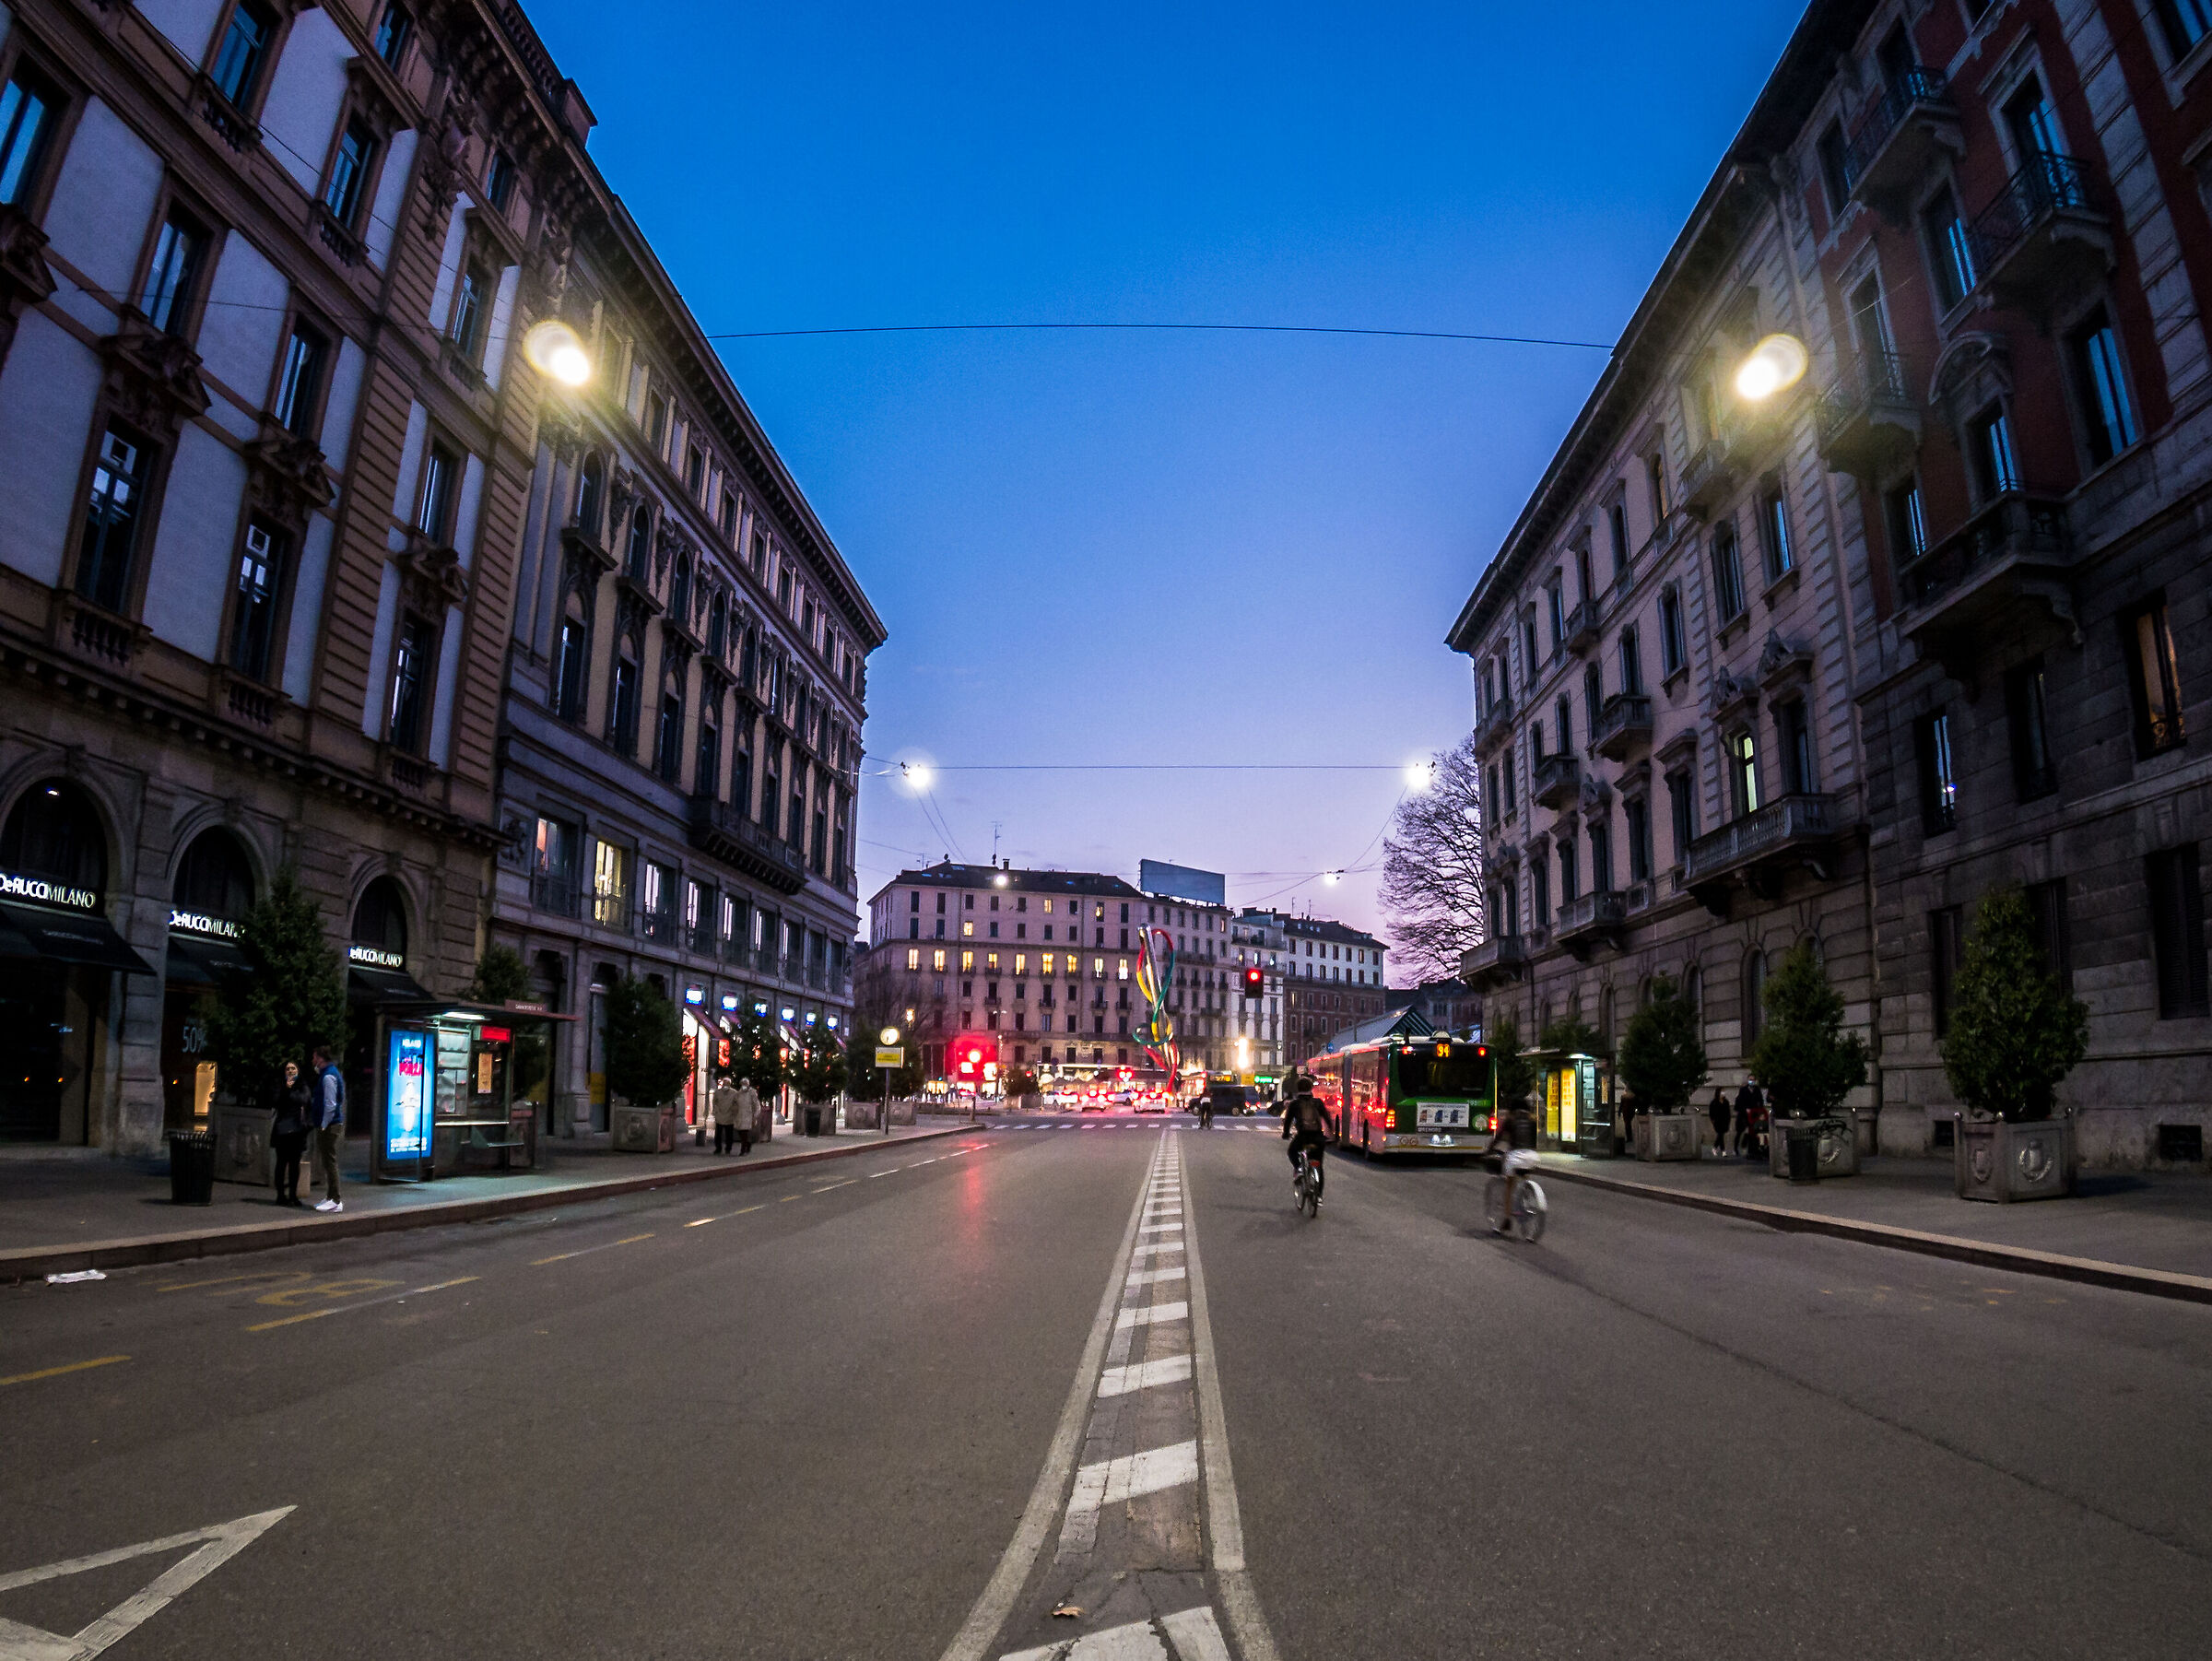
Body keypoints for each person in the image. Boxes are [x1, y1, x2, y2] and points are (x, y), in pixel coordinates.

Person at [1485, 1092, 1540, 1231]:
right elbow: (1534, 1142)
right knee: (1524, 1174)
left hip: (1515, 1156)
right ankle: (1526, 1195)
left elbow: (1499, 1138)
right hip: (1532, 1156)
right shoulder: (1533, 1120)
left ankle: (1507, 1218)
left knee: (1509, 1184)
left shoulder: (1511, 1120)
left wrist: (1489, 1151)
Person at [269, 1059, 312, 1207]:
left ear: (298, 1071)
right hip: (282, 1129)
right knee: (281, 1163)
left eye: (293, 1068)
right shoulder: (280, 1085)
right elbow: (275, 1101)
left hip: (297, 1130)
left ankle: (293, 1195)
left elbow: (304, 1100)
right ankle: (280, 1195)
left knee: (295, 1164)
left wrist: (290, 1093)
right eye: (288, 1069)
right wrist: (286, 1090)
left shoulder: (302, 1085)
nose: (290, 1071)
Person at [310, 1043, 346, 1212]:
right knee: (327, 1161)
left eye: (314, 1057)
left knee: (329, 1162)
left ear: (320, 1058)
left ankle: (335, 1200)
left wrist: (324, 1124)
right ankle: (331, 1197)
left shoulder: (328, 1076)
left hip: (329, 1125)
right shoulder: (329, 1074)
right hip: (330, 1124)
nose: (312, 1060)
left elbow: (331, 1104)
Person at [1280, 1083, 1332, 1190]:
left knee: (1292, 1152)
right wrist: (1331, 1134)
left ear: (1298, 1089)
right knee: (1318, 1164)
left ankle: (1299, 1169)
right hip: (1318, 1138)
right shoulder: (1318, 1102)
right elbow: (1327, 1119)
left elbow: (1288, 1121)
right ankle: (1318, 1195)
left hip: (1302, 1137)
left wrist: (1286, 1134)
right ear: (1311, 1088)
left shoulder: (1294, 1104)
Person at [1735, 1076, 1767, 1162]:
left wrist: (1760, 1110)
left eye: (1753, 1080)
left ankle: (1756, 1151)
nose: (1751, 1081)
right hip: (1746, 1115)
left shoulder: (1757, 1089)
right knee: (1749, 1133)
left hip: (1755, 1114)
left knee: (1756, 1133)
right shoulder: (1743, 1090)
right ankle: (1750, 1151)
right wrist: (1745, 1109)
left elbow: (1760, 1100)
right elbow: (1740, 1102)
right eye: (1750, 1080)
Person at [711, 1075, 740, 1154]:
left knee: (729, 1134)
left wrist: (734, 1111)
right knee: (718, 1134)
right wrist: (715, 1111)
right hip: (720, 1116)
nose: (725, 1085)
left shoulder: (734, 1093)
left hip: (730, 1116)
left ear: (730, 1084)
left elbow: (737, 1104)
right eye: (724, 1083)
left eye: (727, 1083)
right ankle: (718, 1148)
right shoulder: (718, 1092)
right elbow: (714, 1102)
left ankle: (728, 1148)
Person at [734, 1075, 760, 1155]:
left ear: (748, 1085)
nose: (744, 1085)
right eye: (743, 1084)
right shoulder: (739, 1093)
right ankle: (748, 1144)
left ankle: (743, 1150)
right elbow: (735, 1103)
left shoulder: (752, 1093)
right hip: (739, 1115)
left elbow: (757, 1105)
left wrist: (755, 1116)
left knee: (744, 1133)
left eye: (745, 1084)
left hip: (748, 1116)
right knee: (740, 1132)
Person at [1708, 1087, 1732, 1159]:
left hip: (1725, 1121)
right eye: (1722, 1091)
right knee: (1720, 1135)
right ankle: (1721, 1151)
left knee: (1721, 1136)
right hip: (1717, 1121)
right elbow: (1711, 1112)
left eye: (1724, 1091)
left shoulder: (1726, 1102)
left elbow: (1728, 1112)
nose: (1723, 1093)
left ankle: (1719, 1150)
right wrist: (1712, 1120)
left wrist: (1728, 1121)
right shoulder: (1714, 1102)